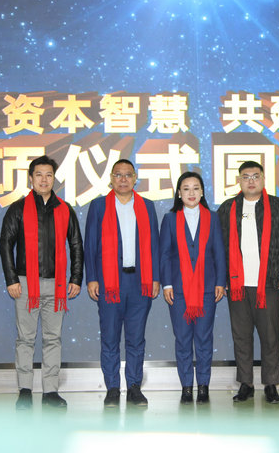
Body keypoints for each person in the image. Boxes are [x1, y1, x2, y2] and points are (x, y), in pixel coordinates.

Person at [0, 155, 83, 409]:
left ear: (54, 178)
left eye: (49, 175)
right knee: (25, 339)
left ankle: (51, 392)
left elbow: (76, 245)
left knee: (53, 339)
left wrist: (75, 278)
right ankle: (25, 390)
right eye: (39, 175)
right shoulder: (18, 209)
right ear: (31, 178)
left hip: (56, 285)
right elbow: (5, 245)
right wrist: (11, 279)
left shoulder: (64, 209)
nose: (44, 180)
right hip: (25, 284)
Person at [216, 160, 279, 404]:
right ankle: (246, 384)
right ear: (239, 181)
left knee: (270, 336)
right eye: (246, 177)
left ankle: (271, 384)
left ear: (263, 179)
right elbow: (217, 247)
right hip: (237, 285)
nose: (251, 181)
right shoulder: (228, 209)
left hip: (269, 283)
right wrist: (221, 279)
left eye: (255, 176)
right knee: (241, 337)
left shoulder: (278, 207)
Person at [84, 159, 160, 407]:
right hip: (109, 283)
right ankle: (113, 388)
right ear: (111, 179)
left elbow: (154, 244)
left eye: (128, 175)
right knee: (110, 338)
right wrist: (91, 278)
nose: (123, 179)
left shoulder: (147, 206)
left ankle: (135, 387)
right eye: (118, 175)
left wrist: (155, 277)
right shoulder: (98, 206)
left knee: (136, 339)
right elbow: (90, 245)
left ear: (135, 178)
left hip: (140, 282)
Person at [159, 171, 227, 405]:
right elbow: (164, 255)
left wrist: (220, 282)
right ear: (179, 193)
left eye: (196, 188)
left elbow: (219, 253)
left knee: (204, 339)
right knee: (183, 339)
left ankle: (204, 386)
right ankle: (186, 387)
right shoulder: (170, 219)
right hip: (178, 291)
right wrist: (167, 283)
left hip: (207, 289)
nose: (191, 193)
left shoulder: (213, 218)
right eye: (186, 188)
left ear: (202, 192)